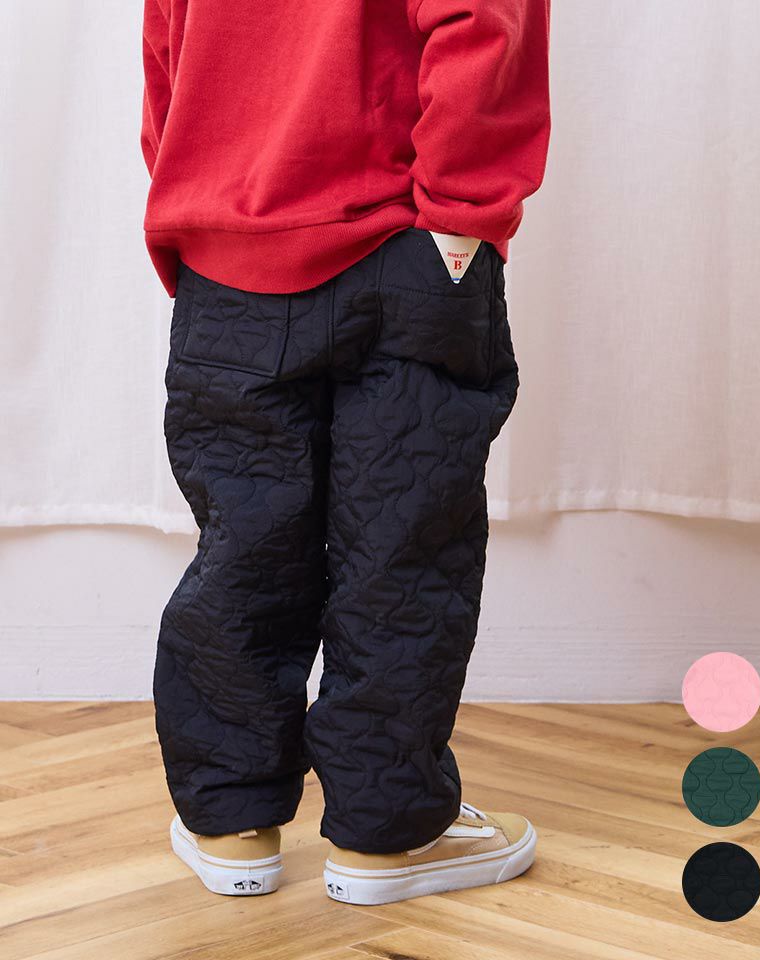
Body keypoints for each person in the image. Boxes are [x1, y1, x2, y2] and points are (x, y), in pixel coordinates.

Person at [140, 0, 551, 905]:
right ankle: (384, 840)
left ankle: (231, 822)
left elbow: (168, 45)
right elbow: (482, 23)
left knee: (246, 545)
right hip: (404, 247)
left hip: (229, 249)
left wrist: (195, 214)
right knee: (403, 551)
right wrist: (461, 218)